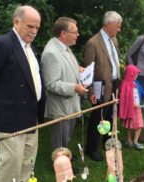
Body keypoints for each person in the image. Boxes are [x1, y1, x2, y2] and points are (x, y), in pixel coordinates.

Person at [0, 5, 45, 182]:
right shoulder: (2, 44)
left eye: (37, 27)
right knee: (11, 166)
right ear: (16, 22)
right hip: (10, 118)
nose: (34, 31)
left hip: (30, 116)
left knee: (27, 163)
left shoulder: (30, 47)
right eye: (30, 26)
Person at [41, 17, 88, 156]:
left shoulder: (64, 47)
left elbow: (64, 67)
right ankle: (60, 167)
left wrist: (78, 68)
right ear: (63, 34)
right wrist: (75, 87)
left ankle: (64, 160)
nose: (78, 35)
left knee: (65, 138)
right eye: (75, 32)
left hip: (69, 105)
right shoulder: (51, 53)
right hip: (60, 107)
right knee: (60, 141)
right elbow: (51, 84)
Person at [83, 11, 122, 161]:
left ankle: (108, 142)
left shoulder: (114, 40)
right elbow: (88, 70)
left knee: (111, 115)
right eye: (118, 26)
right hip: (101, 85)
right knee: (98, 117)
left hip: (114, 83)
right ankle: (91, 148)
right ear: (108, 24)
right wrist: (91, 90)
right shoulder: (93, 43)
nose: (119, 29)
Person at [119, 64, 144, 149]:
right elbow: (124, 99)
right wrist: (132, 105)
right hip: (130, 109)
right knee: (129, 125)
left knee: (140, 125)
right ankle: (129, 140)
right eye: (135, 74)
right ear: (130, 74)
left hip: (137, 109)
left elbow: (141, 92)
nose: (137, 76)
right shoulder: (125, 84)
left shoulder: (136, 83)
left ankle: (135, 141)